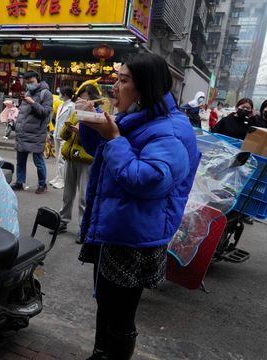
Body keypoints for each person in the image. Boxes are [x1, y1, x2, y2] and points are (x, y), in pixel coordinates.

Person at [77, 53, 199, 360]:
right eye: (117, 79)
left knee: (120, 312)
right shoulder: (138, 117)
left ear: (144, 86)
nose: (115, 87)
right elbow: (102, 153)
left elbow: (148, 180)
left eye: (124, 80)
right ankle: (100, 354)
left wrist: (115, 139)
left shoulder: (169, 130)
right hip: (116, 227)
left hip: (134, 237)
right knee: (105, 303)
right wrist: (92, 126)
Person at [57, 85, 96, 237]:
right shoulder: (74, 113)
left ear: (93, 100)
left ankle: (83, 227)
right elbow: (63, 135)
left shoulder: (96, 115)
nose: (82, 101)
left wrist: (83, 133)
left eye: (86, 98)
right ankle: (63, 220)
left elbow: (95, 140)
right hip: (71, 157)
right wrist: (68, 129)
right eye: (80, 97)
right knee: (67, 193)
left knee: (83, 196)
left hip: (86, 160)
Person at [10, 70, 53, 194]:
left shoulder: (46, 94)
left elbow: (45, 113)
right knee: (20, 160)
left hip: (37, 133)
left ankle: (42, 184)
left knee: (38, 161)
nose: (29, 84)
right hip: (23, 132)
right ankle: (20, 182)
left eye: (32, 82)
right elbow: (23, 113)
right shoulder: (27, 93)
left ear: (38, 81)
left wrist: (32, 103)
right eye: (27, 82)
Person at [49, 85, 75, 189]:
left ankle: (63, 180)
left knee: (62, 159)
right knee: (57, 158)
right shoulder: (61, 105)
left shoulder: (72, 106)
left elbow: (72, 121)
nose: (59, 95)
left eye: (60, 93)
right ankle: (57, 177)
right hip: (57, 134)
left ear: (65, 95)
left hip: (65, 136)